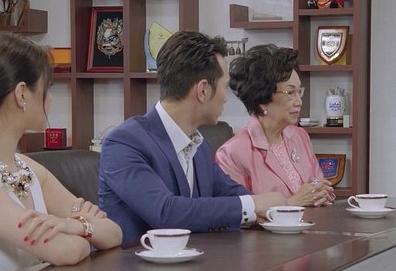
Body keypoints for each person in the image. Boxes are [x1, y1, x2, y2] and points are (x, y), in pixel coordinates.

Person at [0, 32, 122, 271]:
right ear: (22, 93)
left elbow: (113, 233)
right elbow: (64, 251)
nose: (51, 98)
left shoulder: (27, 168)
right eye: (47, 87)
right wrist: (83, 230)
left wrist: (70, 225)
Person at [98, 30, 287, 244]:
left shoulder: (199, 145)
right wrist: (253, 205)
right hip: (136, 262)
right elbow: (165, 212)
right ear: (203, 90)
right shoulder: (124, 142)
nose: (226, 98)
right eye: (224, 87)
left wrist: (265, 206)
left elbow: (232, 194)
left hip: (194, 260)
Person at [215, 44, 335, 207]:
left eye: (299, 91)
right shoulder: (232, 154)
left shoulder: (300, 137)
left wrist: (323, 193)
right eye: (290, 93)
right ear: (262, 99)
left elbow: (322, 191)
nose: (299, 101)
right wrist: (292, 203)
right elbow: (239, 213)